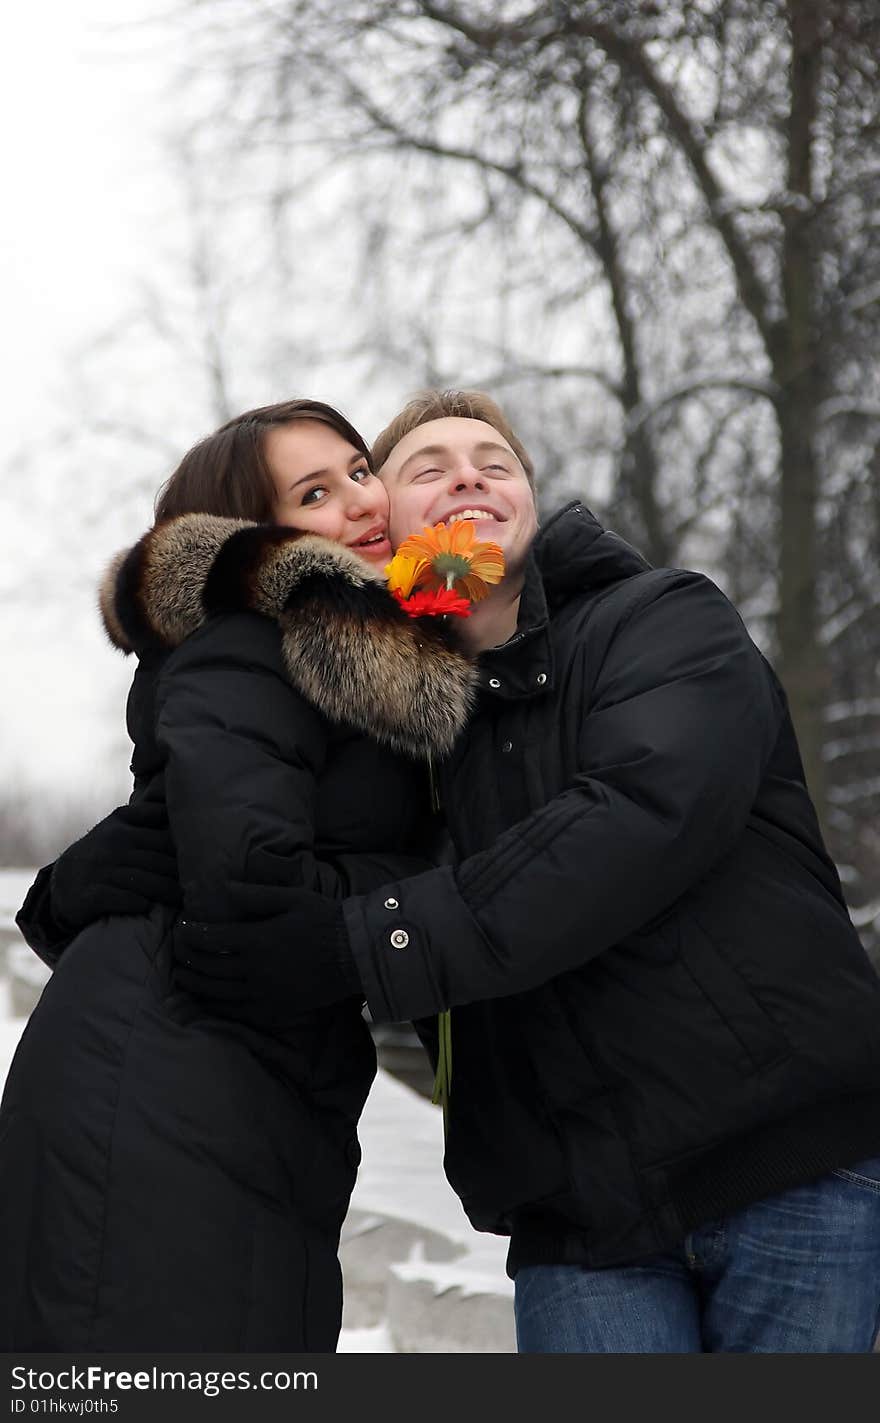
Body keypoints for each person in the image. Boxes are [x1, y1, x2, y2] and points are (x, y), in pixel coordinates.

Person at [168, 389, 880, 1354]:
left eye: (495, 463)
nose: (467, 474)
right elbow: (290, 844)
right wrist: (117, 861)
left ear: (530, 507)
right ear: (384, 532)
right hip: (576, 1225)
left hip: (792, 1172)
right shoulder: (404, 743)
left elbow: (632, 822)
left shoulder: (660, 618)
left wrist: (372, 942)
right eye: (426, 468)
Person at [2, 397, 474, 1351]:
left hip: (235, 1088)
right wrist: (440, 883)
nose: (360, 499)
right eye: (313, 492)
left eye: (355, 468)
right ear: (257, 540)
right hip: (162, 1088)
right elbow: (251, 892)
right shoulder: (259, 637)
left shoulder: (359, 660)